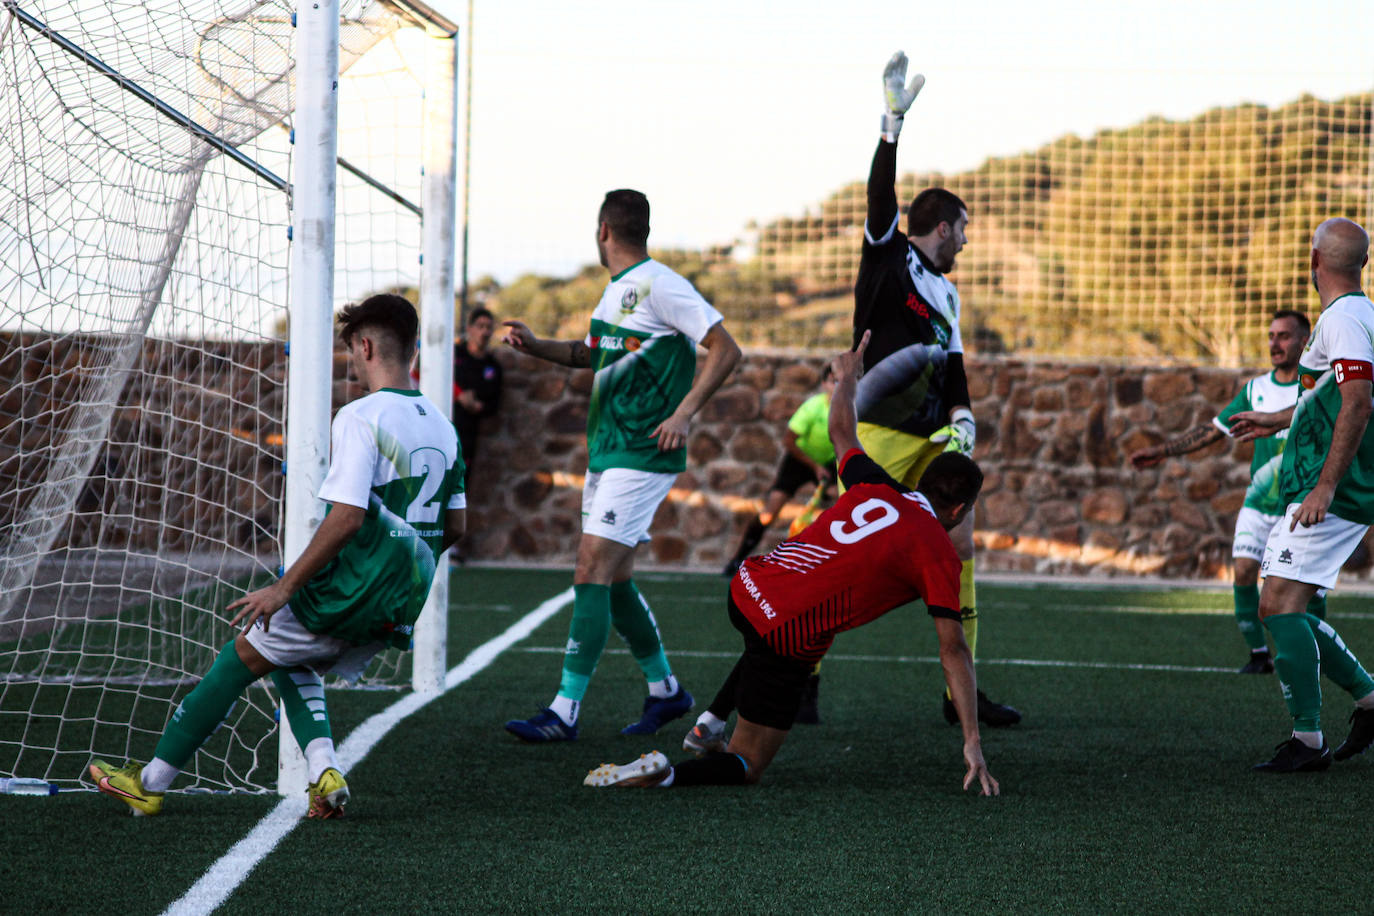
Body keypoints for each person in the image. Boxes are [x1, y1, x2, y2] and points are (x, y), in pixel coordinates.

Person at [89, 294, 467, 817]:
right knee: (291, 656)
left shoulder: (360, 417)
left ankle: (149, 783)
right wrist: (398, 569)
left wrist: (284, 587)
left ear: (365, 345)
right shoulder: (444, 428)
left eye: (352, 354)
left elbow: (347, 517)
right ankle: (324, 774)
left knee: (241, 653)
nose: (351, 366)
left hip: (347, 591)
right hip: (401, 601)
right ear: (415, 349)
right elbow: (457, 527)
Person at [581, 331, 999, 795]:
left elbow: (842, 432)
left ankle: (710, 721)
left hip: (746, 586)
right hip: (784, 632)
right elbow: (953, 650)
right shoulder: (938, 553)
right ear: (960, 511)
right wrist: (973, 741)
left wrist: (846, 379)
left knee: (788, 627)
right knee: (748, 763)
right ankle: (664, 774)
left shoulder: (877, 485)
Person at [501, 189, 741, 742]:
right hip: (608, 453)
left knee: (590, 570)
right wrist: (535, 346)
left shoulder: (661, 283)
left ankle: (564, 711)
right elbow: (591, 353)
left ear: (603, 229)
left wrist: (683, 414)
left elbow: (726, 349)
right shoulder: (615, 295)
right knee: (614, 578)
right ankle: (666, 691)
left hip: (643, 453)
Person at [849, 50, 1018, 728]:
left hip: (933, 441)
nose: (968, 244)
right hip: (880, 435)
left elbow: (953, 368)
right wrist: (890, 130)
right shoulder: (888, 256)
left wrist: (965, 417)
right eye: (965, 232)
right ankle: (801, 678)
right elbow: (878, 199)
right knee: (850, 553)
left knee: (963, 549)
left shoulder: (947, 290)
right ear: (942, 226)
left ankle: (960, 696)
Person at [1228, 217, 1374, 773]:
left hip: (1333, 490)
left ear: (1316, 261)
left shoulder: (1345, 320)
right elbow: (1330, 401)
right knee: (1288, 605)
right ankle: (1365, 700)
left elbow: (1358, 402)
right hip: (1330, 485)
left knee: (1277, 604)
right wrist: (1274, 419)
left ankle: (1309, 742)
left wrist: (1325, 485)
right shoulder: (1353, 317)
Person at [1129, 311, 1316, 673]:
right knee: (1244, 571)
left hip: (1300, 505)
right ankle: (1259, 655)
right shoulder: (1254, 390)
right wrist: (1163, 450)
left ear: (1304, 341)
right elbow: (1215, 430)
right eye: (1271, 335)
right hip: (1259, 503)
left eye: (1284, 336)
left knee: (1308, 591)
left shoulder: (1314, 389)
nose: (1274, 343)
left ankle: (1313, 656)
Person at [722, 366, 837, 577]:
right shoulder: (812, 408)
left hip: (829, 463)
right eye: (832, 381)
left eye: (841, 381)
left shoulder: (852, 409)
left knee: (844, 503)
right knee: (769, 512)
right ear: (823, 384)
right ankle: (737, 560)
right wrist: (815, 467)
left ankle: (833, 565)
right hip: (799, 460)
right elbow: (789, 441)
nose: (836, 387)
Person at [451, 306, 503, 468]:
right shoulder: (453, 354)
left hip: (468, 436)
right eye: (480, 326)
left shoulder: (493, 367)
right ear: (469, 329)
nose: (485, 332)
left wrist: (477, 406)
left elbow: (494, 405)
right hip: (443, 425)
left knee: (461, 483)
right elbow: (429, 373)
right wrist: (458, 395)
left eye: (489, 328)